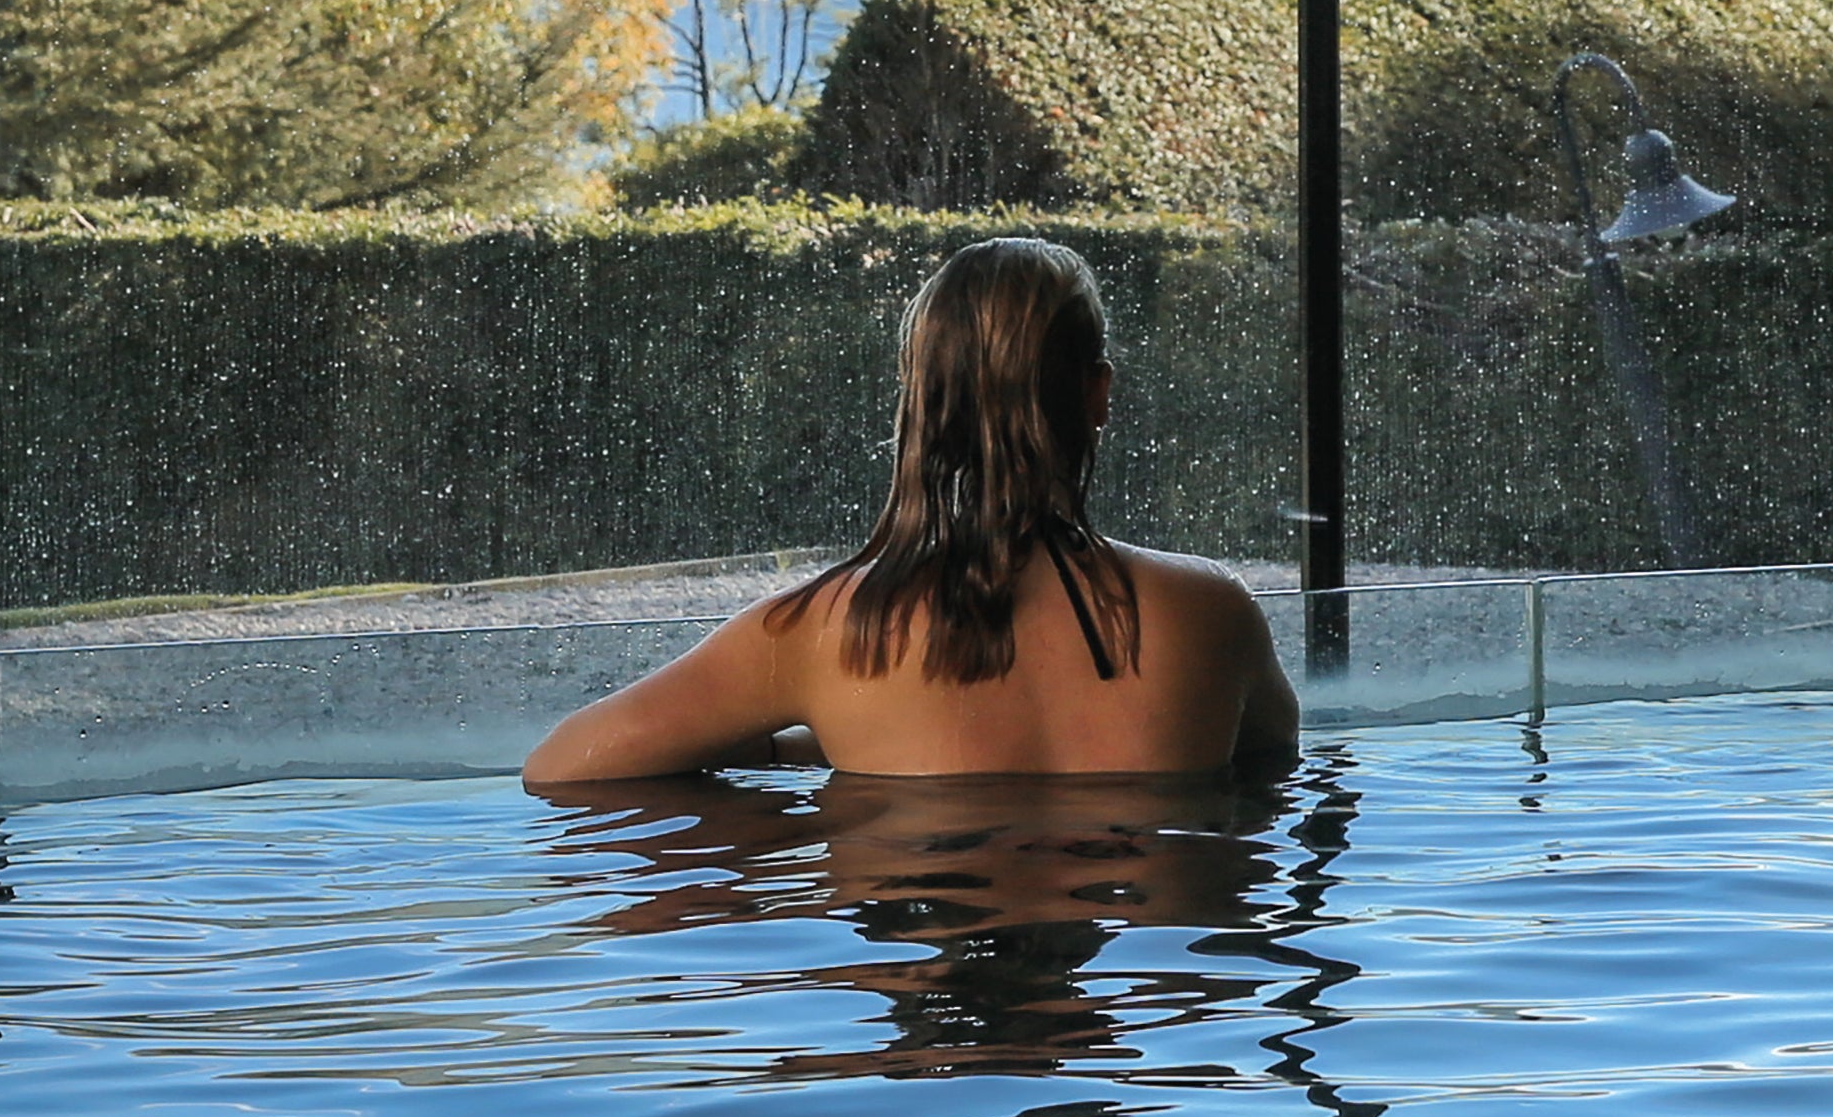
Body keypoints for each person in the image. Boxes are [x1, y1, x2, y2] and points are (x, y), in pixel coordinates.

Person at [522, 235, 1298, 787]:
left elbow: (560, 766)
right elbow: (1272, 764)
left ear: (920, 401)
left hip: (930, 964)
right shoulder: (1210, 610)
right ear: (1098, 393)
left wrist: (813, 749)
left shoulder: (833, 632)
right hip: (1156, 993)